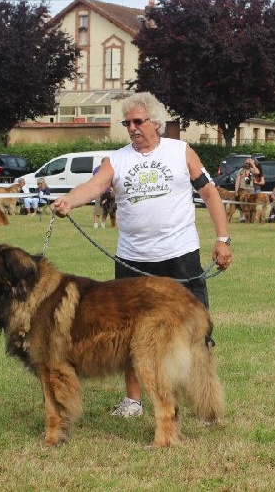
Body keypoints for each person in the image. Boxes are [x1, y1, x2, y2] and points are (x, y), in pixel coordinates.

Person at [51, 91, 233, 419]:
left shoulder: (181, 152)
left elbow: (209, 192)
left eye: (138, 121)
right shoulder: (117, 160)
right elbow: (94, 187)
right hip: (133, 259)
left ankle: (206, 407)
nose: (132, 128)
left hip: (179, 256)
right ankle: (133, 401)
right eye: (128, 122)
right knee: (130, 333)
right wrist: (69, 201)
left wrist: (223, 239)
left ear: (156, 122)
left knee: (196, 331)